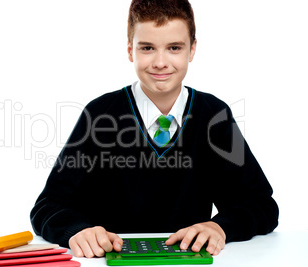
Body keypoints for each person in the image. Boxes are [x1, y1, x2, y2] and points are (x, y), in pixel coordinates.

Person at [30, 0, 279, 258]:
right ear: (130, 51)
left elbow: (262, 204)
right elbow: (48, 206)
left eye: (174, 48)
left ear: (192, 50)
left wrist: (220, 227)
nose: (161, 62)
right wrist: (76, 230)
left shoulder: (215, 116)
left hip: (187, 261)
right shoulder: (99, 115)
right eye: (147, 48)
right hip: (107, 261)